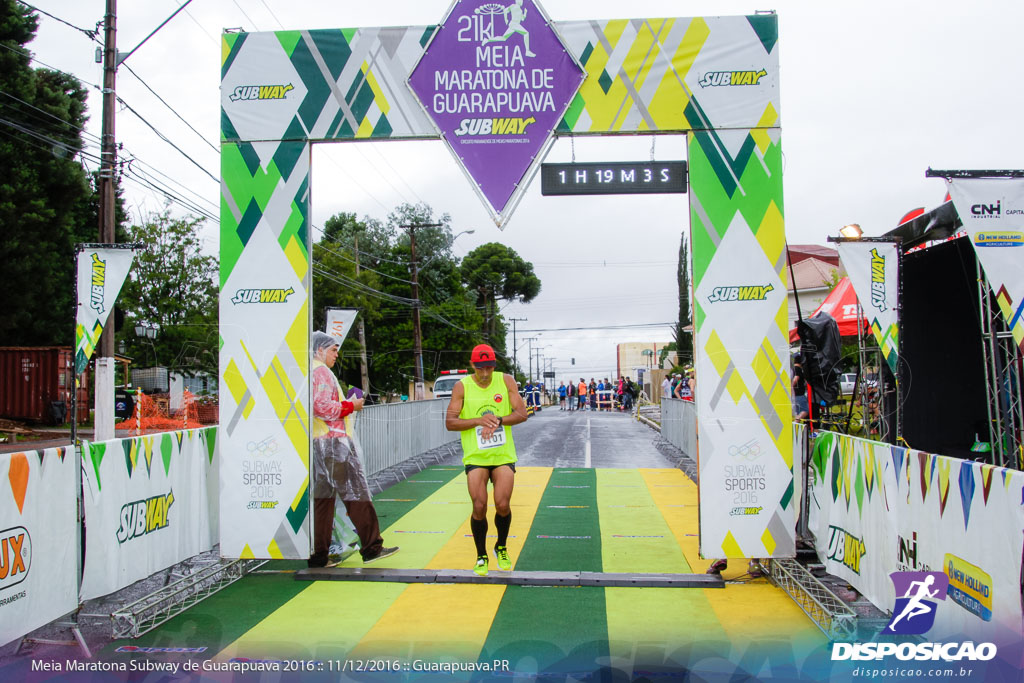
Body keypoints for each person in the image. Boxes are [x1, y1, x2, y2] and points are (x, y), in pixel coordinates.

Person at [310, 331, 398, 568]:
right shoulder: (321, 372)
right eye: (333, 350)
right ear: (319, 350)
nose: (336, 355)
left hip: (319, 443)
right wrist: (352, 404)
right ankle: (372, 547)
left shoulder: (310, 372)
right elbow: (321, 407)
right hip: (334, 443)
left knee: (323, 501)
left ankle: (319, 556)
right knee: (357, 494)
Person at [445, 343, 528, 577]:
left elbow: (522, 414)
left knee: (502, 504)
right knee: (479, 505)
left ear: (494, 366)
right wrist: (478, 421)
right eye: (480, 368)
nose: (484, 374)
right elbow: (450, 422)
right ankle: (481, 554)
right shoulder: (462, 387)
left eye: (489, 368)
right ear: (472, 365)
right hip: (476, 456)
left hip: (502, 455)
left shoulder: (506, 381)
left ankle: (500, 546)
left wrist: (499, 420)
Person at [793, 354, 808, 420]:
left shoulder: (792, 369)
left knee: (797, 412)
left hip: (794, 394)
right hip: (799, 394)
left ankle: (796, 424)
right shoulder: (798, 369)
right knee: (805, 410)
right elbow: (796, 378)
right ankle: (796, 422)